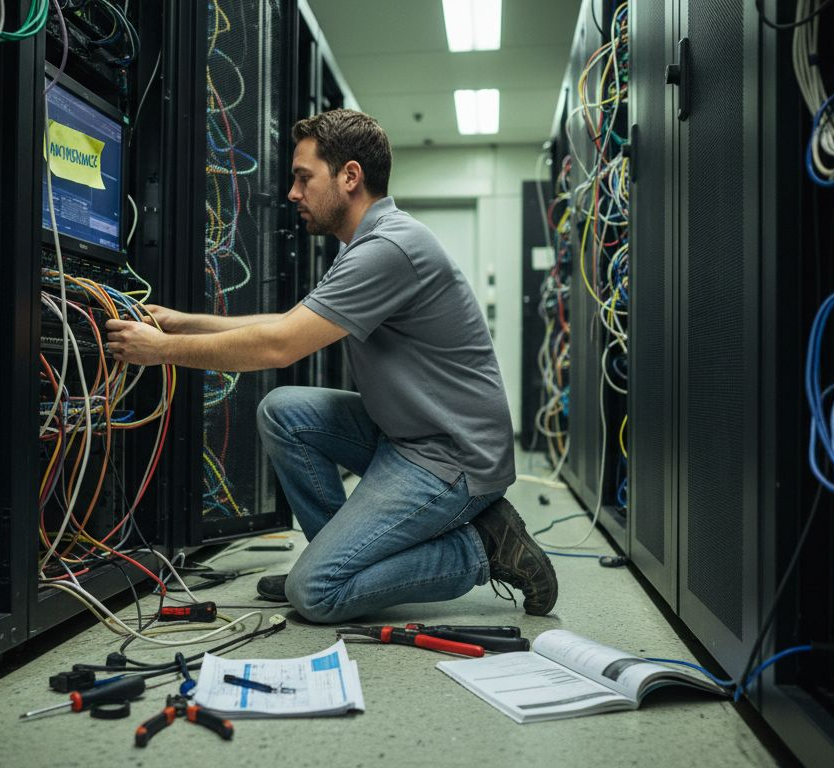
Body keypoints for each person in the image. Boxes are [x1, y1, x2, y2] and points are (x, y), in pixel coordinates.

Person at [104, 109, 557, 623]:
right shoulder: (365, 244)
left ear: (350, 176)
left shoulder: (388, 248)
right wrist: (183, 323)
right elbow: (289, 322)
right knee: (284, 411)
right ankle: (339, 562)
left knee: (315, 594)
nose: (292, 193)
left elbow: (280, 346)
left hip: (451, 457)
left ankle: (482, 548)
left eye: (303, 178)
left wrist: (162, 349)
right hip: (409, 436)